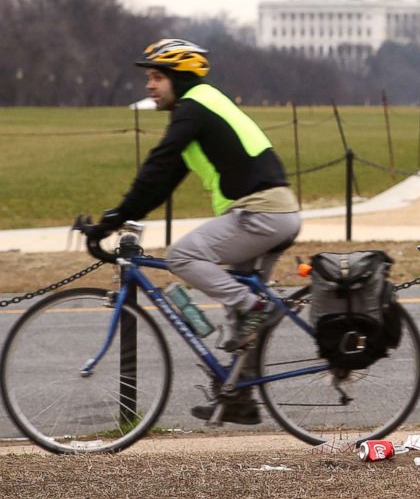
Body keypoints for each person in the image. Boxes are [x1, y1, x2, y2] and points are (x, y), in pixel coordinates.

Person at [87, 39, 302, 424]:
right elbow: (162, 181)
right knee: (239, 315)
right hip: (273, 211)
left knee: (183, 257)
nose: (149, 86)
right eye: (148, 78)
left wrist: (114, 217)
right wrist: (123, 215)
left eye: (157, 77)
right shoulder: (201, 106)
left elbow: (157, 165)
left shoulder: (193, 108)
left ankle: (258, 308)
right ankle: (240, 397)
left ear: (179, 77)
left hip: (261, 213)